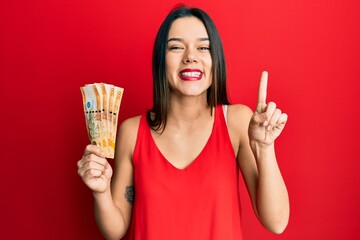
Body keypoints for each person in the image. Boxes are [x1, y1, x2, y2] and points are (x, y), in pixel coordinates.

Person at [77, 5, 289, 240]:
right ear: (161, 60)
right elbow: (115, 231)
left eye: (203, 47)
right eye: (177, 47)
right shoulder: (131, 131)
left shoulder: (237, 122)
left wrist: (265, 148)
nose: (190, 56)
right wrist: (101, 192)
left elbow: (277, 222)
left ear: (215, 59)